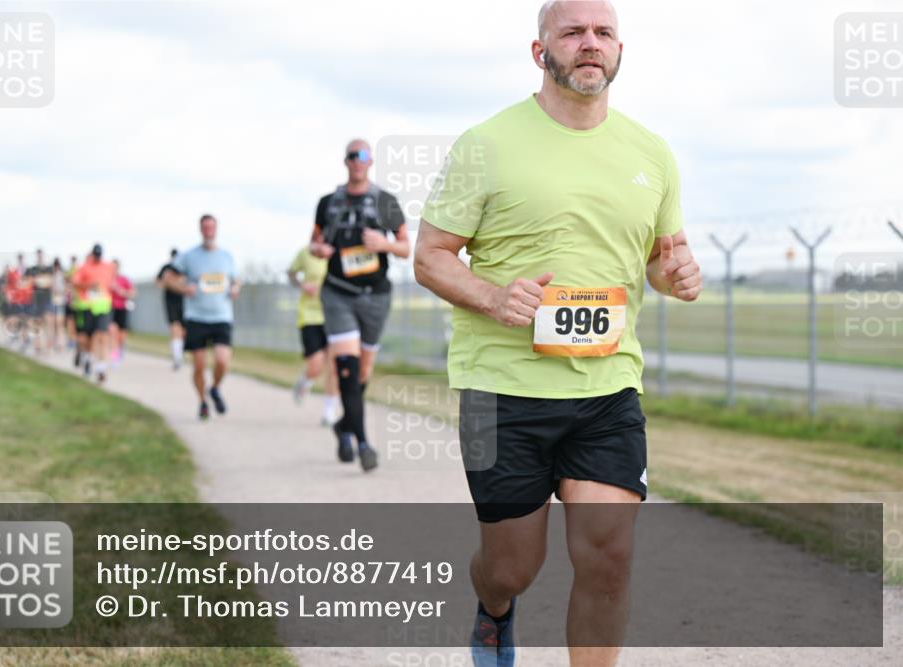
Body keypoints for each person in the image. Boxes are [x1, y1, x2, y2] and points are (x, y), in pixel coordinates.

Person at [413, 2, 703, 666]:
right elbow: (430, 256)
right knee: (512, 565)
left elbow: (663, 256)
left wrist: (677, 272)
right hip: (499, 388)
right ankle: (493, 609)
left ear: (621, 50)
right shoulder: (485, 144)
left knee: (609, 551)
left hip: (607, 387)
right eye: (573, 32)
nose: (590, 44)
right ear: (540, 51)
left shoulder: (651, 153)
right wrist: (494, 295)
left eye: (603, 33)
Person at [309, 139, 409, 472]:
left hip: (376, 294)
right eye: (352, 156)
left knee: (364, 371)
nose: (357, 161)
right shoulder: (327, 203)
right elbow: (315, 242)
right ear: (345, 161)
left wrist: (384, 244)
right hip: (338, 292)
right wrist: (319, 251)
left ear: (370, 162)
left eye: (363, 156)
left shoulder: (385, 202)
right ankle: (363, 443)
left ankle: (343, 425)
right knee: (347, 368)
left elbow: (406, 247)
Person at [164, 215, 240, 420]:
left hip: (222, 315)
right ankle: (202, 401)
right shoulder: (189, 256)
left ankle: (214, 388)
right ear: (200, 230)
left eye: (211, 227)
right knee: (199, 365)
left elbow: (236, 279)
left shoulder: (226, 256)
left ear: (216, 229)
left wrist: (235, 288)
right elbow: (167, 277)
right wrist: (183, 288)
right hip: (196, 316)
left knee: (222, 361)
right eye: (205, 227)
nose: (208, 231)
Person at [288, 244, 339, 426]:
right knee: (316, 364)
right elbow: (291, 274)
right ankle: (305, 381)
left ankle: (329, 412)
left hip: (335, 314)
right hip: (309, 315)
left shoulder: (339, 250)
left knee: (334, 365)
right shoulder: (305, 252)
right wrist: (303, 285)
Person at [71, 245, 116, 383]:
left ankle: (101, 369)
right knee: (86, 339)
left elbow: (110, 284)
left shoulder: (108, 267)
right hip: (87, 307)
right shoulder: (83, 267)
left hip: (103, 307)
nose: (97, 257)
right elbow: (75, 283)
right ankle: (87, 359)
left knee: (102, 336)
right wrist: (89, 285)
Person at [156, 249, 186, 370]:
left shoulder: (185, 268)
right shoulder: (166, 268)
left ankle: (178, 351)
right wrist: (168, 283)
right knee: (174, 327)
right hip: (171, 301)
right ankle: (177, 357)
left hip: (184, 301)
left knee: (183, 331)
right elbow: (158, 282)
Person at [26, 248, 55, 355]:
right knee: (36, 323)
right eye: (38, 255)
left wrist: (39, 281)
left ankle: (48, 347)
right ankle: (37, 346)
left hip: (47, 299)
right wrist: (38, 281)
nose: (39, 257)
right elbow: (27, 282)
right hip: (36, 299)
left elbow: (50, 282)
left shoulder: (49, 269)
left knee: (48, 322)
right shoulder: (32, 269)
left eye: (41, 255)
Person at [109, 259, 135, 365]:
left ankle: (121, 349)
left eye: (115, 267)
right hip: (110, 308)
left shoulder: (124, 279)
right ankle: (114, 357)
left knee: (122, 335)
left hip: (122, 308)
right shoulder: (108, 279)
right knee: (112, 332)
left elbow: (133, 293)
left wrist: (120, 291)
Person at [50, 258, 67, 351]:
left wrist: (60, 291)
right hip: (53, 301)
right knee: (55, 324)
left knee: (59, 324)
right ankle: (57, 342)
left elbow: (65, 288)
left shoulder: (61, 275)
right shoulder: (52, 275)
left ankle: (61, 343)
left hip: (60, 301)